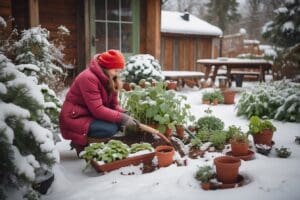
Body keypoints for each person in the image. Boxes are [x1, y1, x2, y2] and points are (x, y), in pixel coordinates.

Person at [59, 49, 137, 155]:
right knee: (110, 128)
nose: (117, 73)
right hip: (75, 117)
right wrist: (122, 118)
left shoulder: (111, 78)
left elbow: (113, 105)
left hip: (89, 114)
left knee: (118, 124)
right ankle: (79, 142)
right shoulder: (88, 78)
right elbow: (98, 110)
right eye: (115, 70)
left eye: (119, 70)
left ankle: (91, 138)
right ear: (106, 67)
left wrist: (124, 113)